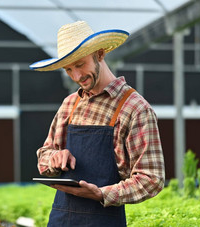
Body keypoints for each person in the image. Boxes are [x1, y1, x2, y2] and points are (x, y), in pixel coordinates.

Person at [30, 21, 165, 227]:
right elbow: (44, 155)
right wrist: (54, 158)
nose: (76, 76)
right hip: (61, 219)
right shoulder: (69, 104)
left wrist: (102, 194)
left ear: (100, 54)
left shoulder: (135, 108)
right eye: (68, 69)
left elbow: (152, 179)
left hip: (104, 220)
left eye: (80, 64)